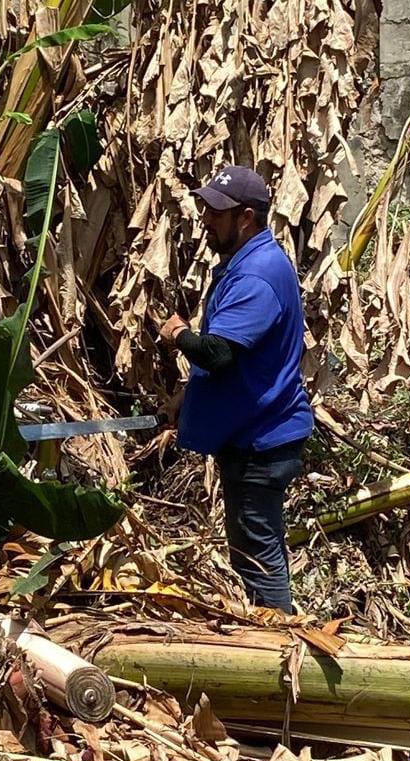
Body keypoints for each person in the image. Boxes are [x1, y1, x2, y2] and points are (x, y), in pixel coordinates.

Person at [159, 165, 314, 614]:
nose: (206, 218)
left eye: (216, 212)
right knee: (254, 549)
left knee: (258, 555)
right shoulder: (250, 263)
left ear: (245, 218)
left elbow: (219, 354)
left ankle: (280, 647)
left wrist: (178, 335)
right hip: (257, 435)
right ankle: (271, 639)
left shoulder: (256, 276)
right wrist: (189, 398)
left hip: (260, 443)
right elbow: (241, 361)